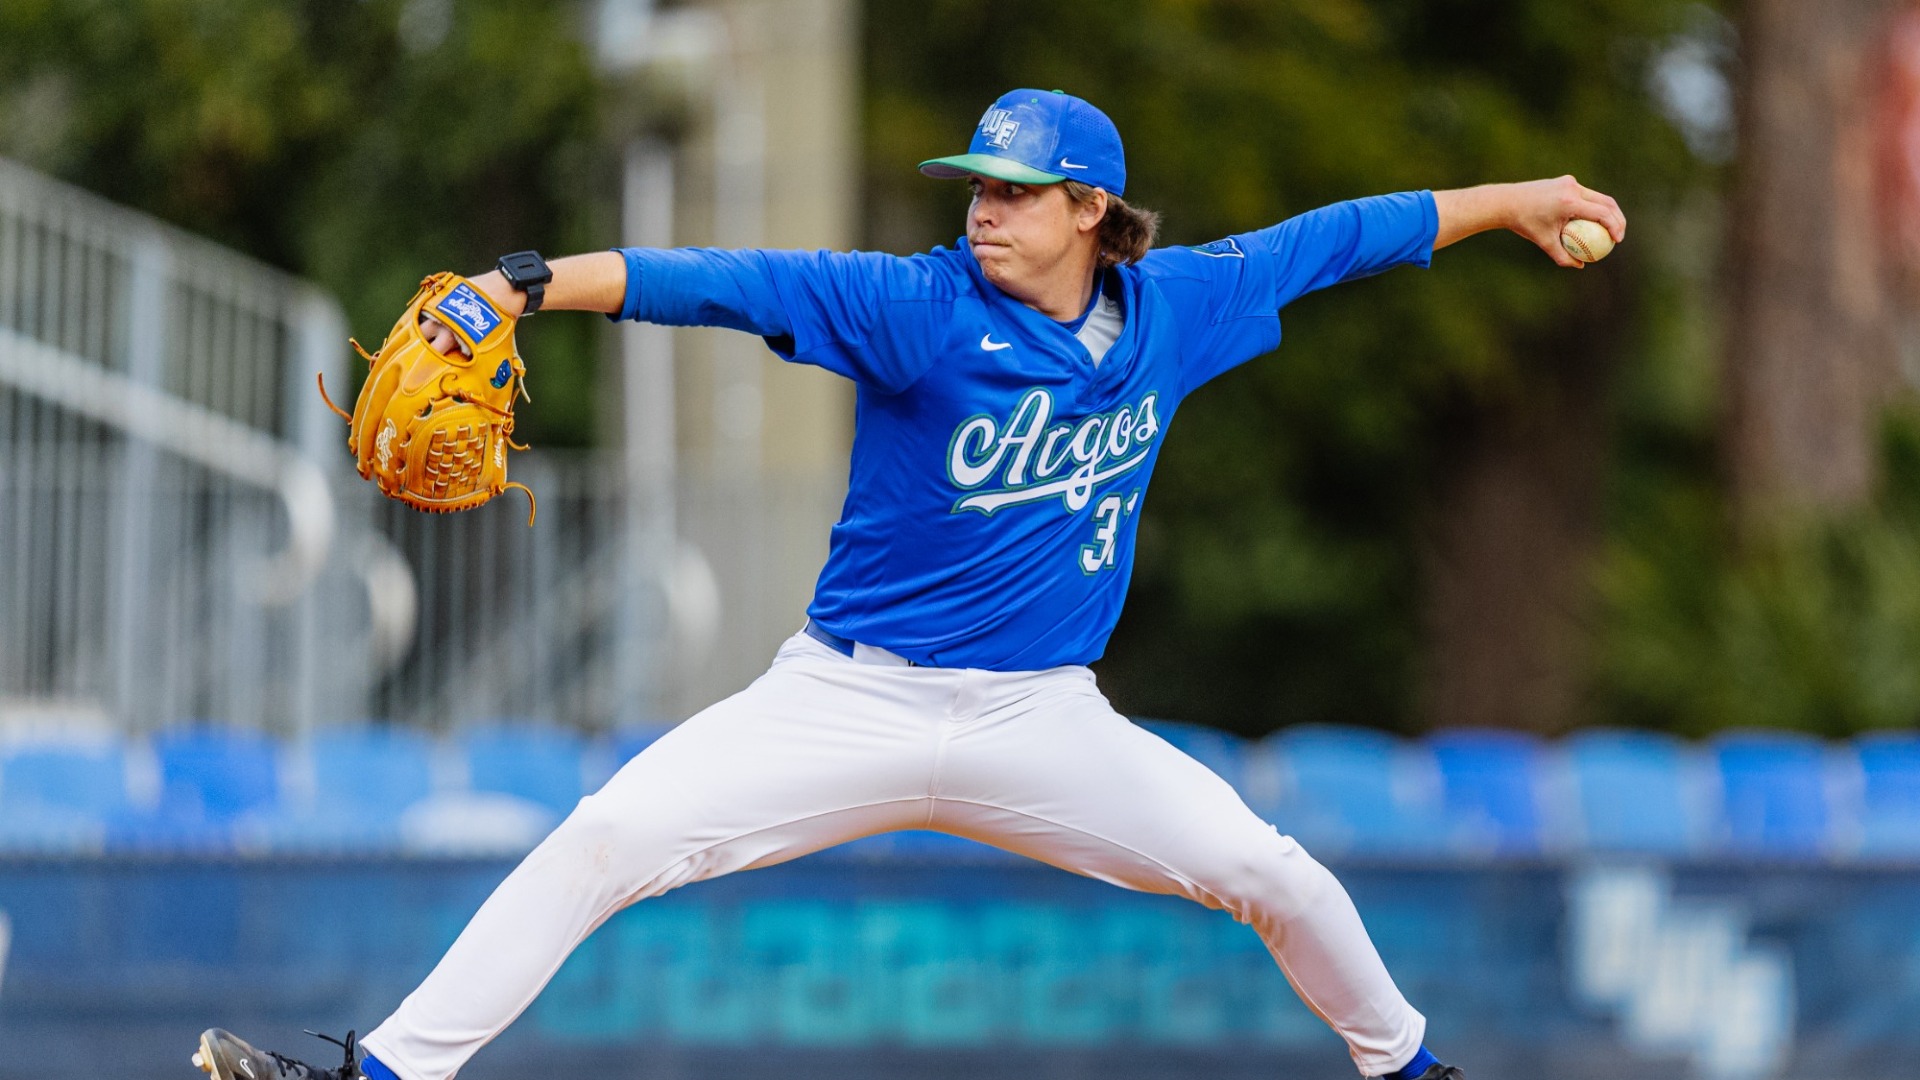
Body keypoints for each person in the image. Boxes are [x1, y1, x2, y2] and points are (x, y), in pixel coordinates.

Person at [192, 88, 1623, 1080]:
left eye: (1010, 193)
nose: (982, 211)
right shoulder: (914, 303)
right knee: (607, 836)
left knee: (1270, 872)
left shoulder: (1180, 307)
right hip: (846, 700)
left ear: (1088, 208)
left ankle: (1407, 1065)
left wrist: (1519, 203)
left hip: (1041, 722)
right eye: (974, 188)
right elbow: (721, 279)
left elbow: (1354, 234)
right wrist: (521, 282)